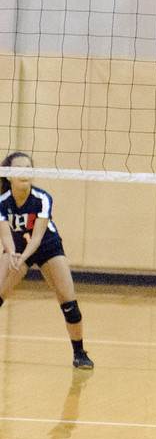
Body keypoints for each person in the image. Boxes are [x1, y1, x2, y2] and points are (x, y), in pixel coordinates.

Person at [0, 152, 93, 369]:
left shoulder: (42, 198)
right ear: (8, 176)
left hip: (46, 246)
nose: (24, 172)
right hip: (16, 247)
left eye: (28, 168)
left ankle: (79, 353)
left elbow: (38, 236)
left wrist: (22, 256)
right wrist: (13, 253)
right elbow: (5, 234)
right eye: (18, 169)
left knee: (69, 303)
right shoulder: (2, 202)